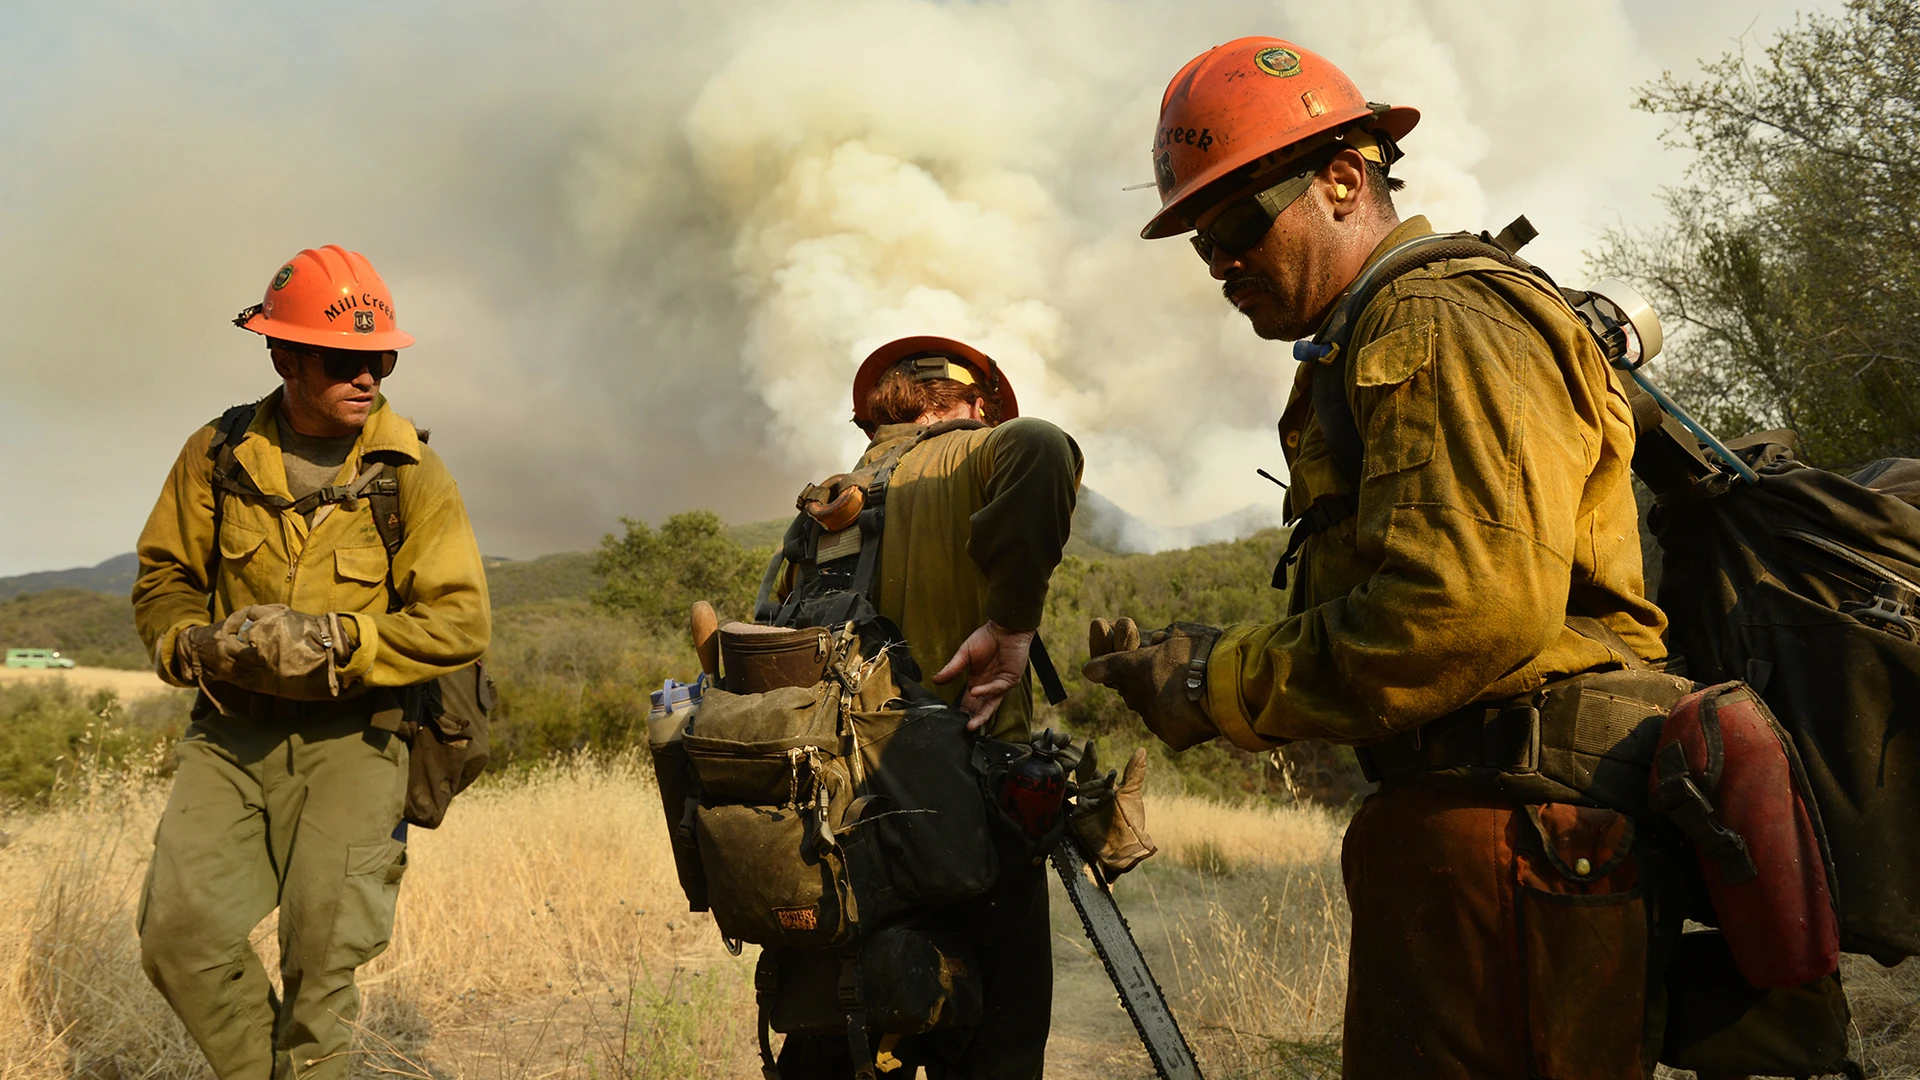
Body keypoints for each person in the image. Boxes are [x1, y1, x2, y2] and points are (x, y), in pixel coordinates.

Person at [1084, 38, 1676, 1079]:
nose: (1220, 264)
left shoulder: (1434, 319)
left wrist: (1209, 678)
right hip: (1478, 837)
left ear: (1344, 181)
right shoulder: (1377, 334)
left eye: (1233, 225)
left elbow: (1464, 608)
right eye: (1199, 243)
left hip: (1509, 837)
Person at [131, 245, 490, 1080]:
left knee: (321, 965)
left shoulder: (412, 474)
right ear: (282, 356)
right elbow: (165, 576)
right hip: (230, 736)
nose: (369, 376)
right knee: (179, 941)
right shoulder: (216, 454)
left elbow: (460, 622)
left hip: (356, 739)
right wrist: (187, 642)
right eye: (344, 360)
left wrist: (342, 641)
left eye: (382, 358)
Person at [774, 334, 1083, 1079]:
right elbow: (1042, 447)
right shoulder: (979, 451)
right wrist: (1011, 623)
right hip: (970, 800)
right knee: (994, 1044)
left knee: (834, 1030)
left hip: (834, 813)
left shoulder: (820, 506)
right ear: (974, 405)